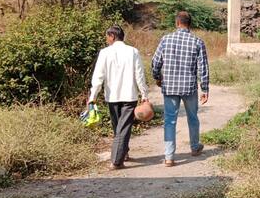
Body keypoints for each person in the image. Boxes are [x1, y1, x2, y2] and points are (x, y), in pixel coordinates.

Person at [152, 11, 209, 167]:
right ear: (189, 24)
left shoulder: (165, 39)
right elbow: (203, 68)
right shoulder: (197, 41)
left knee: (170, 121)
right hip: (189, 87)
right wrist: (205, 89)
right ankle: (195, 147)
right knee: (193, 117)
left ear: (177, 23)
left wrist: (157, 77)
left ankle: (169, 156)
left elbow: (156, 61)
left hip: (169, 87)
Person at [88, 25, 149, 170]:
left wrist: (93, 96)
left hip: (112, 96)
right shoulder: (133, 51)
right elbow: (139, 75)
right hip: (129, 96)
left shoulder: (104, 53)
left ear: (112, 36)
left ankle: (116, 160)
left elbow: (98, 76)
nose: (106, 39)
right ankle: (122, 153)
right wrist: (144, 94)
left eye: (107, 37)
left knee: (119, 128)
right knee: (122, 128)